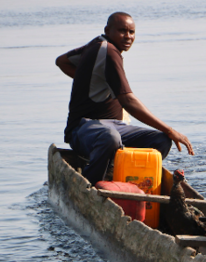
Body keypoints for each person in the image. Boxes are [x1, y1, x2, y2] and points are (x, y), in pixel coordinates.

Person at [55, 12, 194, 184]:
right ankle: (92, 184)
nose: (128, 37)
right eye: (122, 31)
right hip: (83, 129)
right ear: (108, 30)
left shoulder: (98, 45)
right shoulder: (107, 51)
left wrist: (93, 81)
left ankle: (131, 180)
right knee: (110, 137)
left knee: (161, 141)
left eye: (132, 32)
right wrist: (170, 130)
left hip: (115, 127)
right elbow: (128, 100)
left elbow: (61, 61)